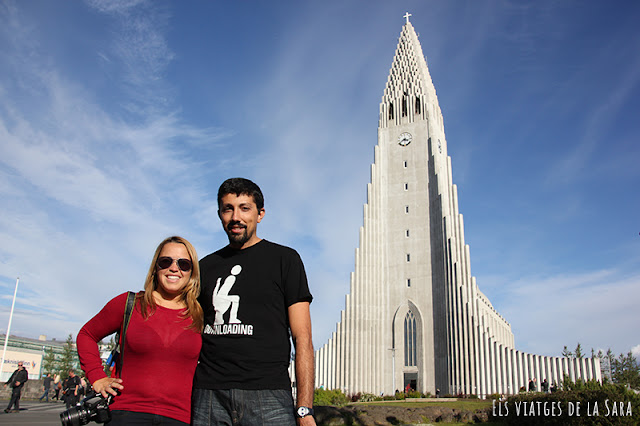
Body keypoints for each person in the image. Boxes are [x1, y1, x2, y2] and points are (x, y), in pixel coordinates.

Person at [193, 178, 316, 426]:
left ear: (260, 214)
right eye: (228, 208)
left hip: (268, 396)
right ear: (220, 215)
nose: (235, 216)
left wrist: (305, 410)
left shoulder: (285, 260)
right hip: (208, 396)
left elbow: (302, 337)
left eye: (244, 208)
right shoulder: (204, 267)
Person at [77, 236, 203, 425]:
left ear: (192, 272)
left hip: (179, 418)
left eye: (184, 264)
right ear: (156, 267)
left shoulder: (201, 315)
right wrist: (97, 377)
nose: (174, 268)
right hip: (126, 413)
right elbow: (87, 335)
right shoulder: (129, 304)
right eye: (166, 261)